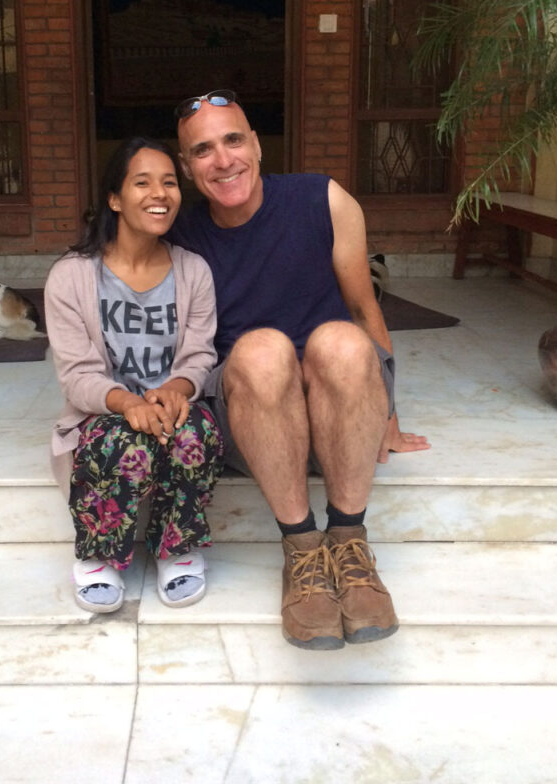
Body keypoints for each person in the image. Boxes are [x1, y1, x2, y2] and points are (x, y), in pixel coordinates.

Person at [168, 89, 430, 650]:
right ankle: (303, 554)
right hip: (253, 418)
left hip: (339, 409)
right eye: (203, 151)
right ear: (188, 169)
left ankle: (350, 545)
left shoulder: (323, 199)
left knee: (338, 338)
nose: (223, 160)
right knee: (263, 349)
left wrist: (389, 410)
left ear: (258, 146)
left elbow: (366, 308)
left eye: (234, 140)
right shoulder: (179, 232)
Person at [44, 137, 223, 615]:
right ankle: (99, 556)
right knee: (120, 441)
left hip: (171, 407)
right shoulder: (71, 276)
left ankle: (176, 548)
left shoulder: (194, 271)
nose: (159, 193)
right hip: (104, 413)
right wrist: (129, 403)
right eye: (142, 182)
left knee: (195, 432)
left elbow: (200, 354)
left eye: (169, 181)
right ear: (115, 198)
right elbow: (78, 376)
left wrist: (177, 388)